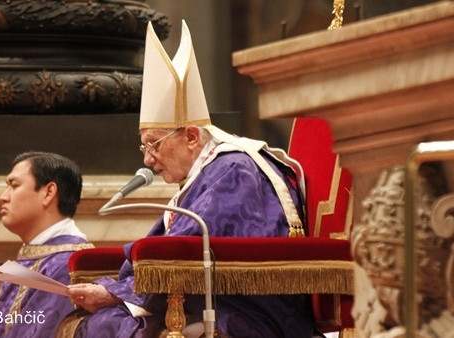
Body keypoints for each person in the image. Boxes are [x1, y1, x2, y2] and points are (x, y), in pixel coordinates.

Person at [58, 21, 319, 337]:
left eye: (153, 144)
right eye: (144, 146)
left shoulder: (233, 171)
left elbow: (181, 253)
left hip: (244, 314)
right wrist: (114, 288)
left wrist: (114, 292)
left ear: (192, 136)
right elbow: (165, 250)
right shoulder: (208, 173)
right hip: (205, 300)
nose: (147, 159)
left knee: (106, 327)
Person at [0, 151, 93, 338]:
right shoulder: (39, 256)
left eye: (14, 186)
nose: (3, 197)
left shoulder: (68, 265)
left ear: (48, 192)